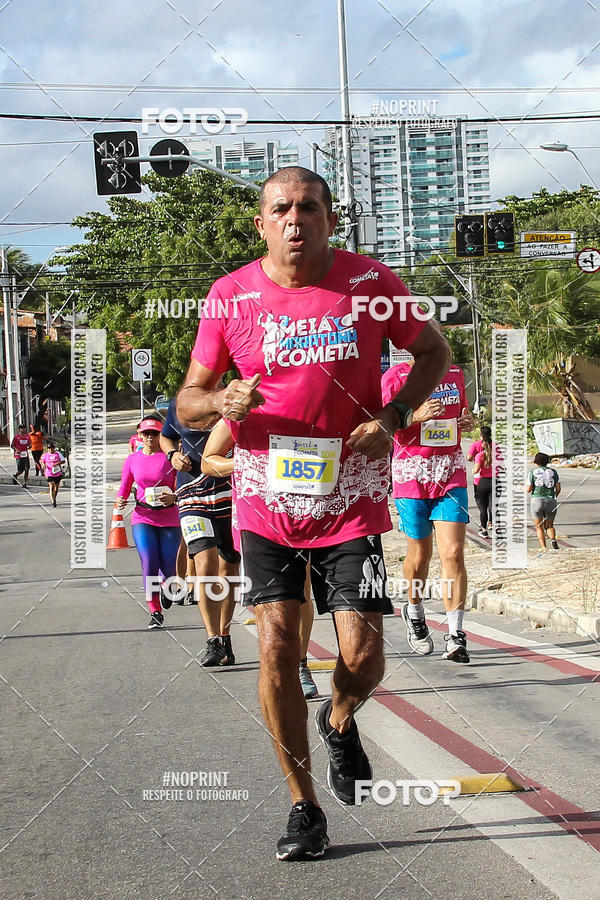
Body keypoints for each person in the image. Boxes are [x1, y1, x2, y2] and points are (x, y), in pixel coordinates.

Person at [177, 165, 451, 860]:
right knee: (275, 648)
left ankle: (338, 717)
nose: (295, 220)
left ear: (331, 218)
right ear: (261, 223)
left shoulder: (370, 284)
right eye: (281, 209)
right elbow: (188, 400)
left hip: (352, 498)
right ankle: (304, 808)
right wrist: (218, 404)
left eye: (309, 207)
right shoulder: (229, 296)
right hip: (266, 499)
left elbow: (432, 351)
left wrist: (391, 415)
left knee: (363, 655)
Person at [202, 419, 318, 694]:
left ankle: (300, 664)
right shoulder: (246, 408)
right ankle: (280, 665)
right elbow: (209, 461)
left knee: (302, 587)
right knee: (271, 597)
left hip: (305, 508)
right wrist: (245, 465)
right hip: (259, 515)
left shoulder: (311, 407)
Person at [381, 360, 474, 665]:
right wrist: (415, 416)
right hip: (411, 474)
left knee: (454, 552)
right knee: (420, 556)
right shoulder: (395, 377)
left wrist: (466, 422)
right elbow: (383, 424)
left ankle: (456, 634)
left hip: (450, 471)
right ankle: (414, 609)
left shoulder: (456, 373)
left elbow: (462, 413)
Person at [160, 399, 239, 665]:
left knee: (229, 569)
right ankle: (212, 639)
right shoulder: (181, 404)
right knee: (205, 562)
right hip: (191, 494)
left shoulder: (233, 400)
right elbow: (166, 437)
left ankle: (225, 634)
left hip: (230, 493)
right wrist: (172, 455)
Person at [116, 417, 180, 629]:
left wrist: (175, 497)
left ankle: (166, 585)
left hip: (169, 517)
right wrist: (120, 500)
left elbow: (182, 486)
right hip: (143, 517)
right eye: (146, 434)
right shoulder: (133, 460)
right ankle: (154, 611)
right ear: (139, 435)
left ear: (161, 435)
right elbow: (124, 487)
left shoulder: (170, 459)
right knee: (149, 560)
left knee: (169, 565)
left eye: (155, 434)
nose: (150, 438)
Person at [527, 452, 561, 550]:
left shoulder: (532, 472)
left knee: (539, 526)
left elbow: (529, 489)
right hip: (551, 500)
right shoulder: (554, 472)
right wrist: (554, 496)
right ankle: (553, 539)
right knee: (550, 525)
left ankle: (543, 547)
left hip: (536, 500)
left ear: (536, 461)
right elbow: (558, 488)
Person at [472, 426, 493, 538]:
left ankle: (483, 529)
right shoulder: (497, 453)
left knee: (482, 507)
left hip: (483, 481)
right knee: (493, 505)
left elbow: (475, 470)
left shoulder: (480, 455)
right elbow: (503, 468)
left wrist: (473, 470)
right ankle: (495, 526)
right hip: (495, 480)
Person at [40, 441, 66, 507]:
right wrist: (43, 465)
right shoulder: (45, 455)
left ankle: (54, 498)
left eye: (52, 448)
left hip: (57, 472)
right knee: (52, 485)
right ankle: (53, 501)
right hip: (49, 473)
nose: (51, 449)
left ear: (54, 448)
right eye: (49, 448)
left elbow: (63, 461)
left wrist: (56, 464)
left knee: (56, 488)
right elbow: (43, 461)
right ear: (47, 449)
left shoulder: (58, 454)